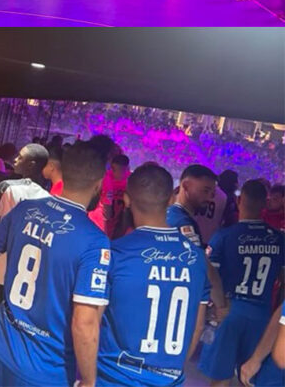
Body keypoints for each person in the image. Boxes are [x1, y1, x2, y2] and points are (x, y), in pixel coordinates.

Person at [0, 140, 111, 387]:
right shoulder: (94, 241)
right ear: (98, 184)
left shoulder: (25, 210)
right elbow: (84, 321)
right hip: (45, 369)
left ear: (63, 172)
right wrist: (89, 379)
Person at [95, 163, 210, 387]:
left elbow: (90, 322)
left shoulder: (115, 253)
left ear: (127, 200)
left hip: (114, 378)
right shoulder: (196, 258)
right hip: (168, 379)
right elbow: (197, 326)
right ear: (170, 199)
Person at [198, 180, 285, 386]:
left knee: (220, 378)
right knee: (250, 377)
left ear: (238, 200)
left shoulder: (225, 236)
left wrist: (212, 310)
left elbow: (210, 277)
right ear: (265, 203)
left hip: (228, 311)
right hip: (262, 315)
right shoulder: (279, 239)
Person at [0, 142, 51, 310]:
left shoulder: (8, 187)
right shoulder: (46, 197)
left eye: (20, 157)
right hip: (25, 271)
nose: (15, 160)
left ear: (31, 165)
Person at [167, 164, 228, 315]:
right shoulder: (182, 222)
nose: (210, 197)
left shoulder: (169, 214)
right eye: (205, 191)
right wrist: (221, 305)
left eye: (212, 193)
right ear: (185, 186)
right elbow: (202, 265)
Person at [100, 153, 130, 237]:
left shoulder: (131, 179)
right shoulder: (106, 179)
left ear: (127, 168)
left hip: (123, 217)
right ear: (112, 168)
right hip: (108, 217)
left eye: (123, 170)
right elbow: (107, 213)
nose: (121, 173)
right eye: (118, 170)